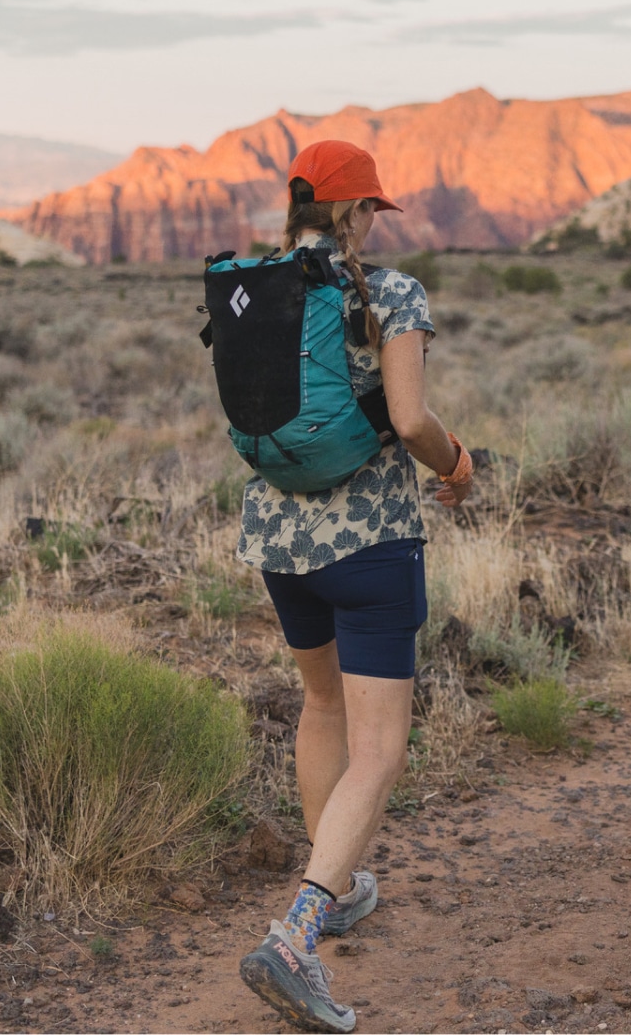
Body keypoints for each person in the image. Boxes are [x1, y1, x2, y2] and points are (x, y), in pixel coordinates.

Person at [234, 140, 476, 1034]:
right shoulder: (391, 291)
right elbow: (409, 418)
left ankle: (327, 887)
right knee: (381, 749)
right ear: (353, 213)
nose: (377, 221)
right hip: (369, 541)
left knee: (320, 704)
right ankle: (297, 934)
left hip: (276, 535)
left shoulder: (253, 284)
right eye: (371, 208)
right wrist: (459, 464)